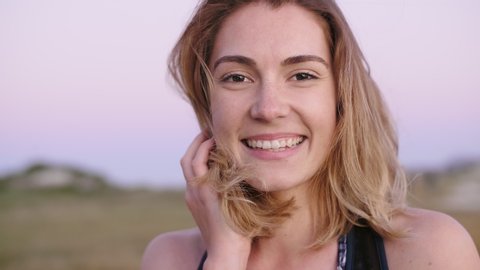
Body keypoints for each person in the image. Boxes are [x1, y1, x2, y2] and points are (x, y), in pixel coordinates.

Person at [142, 1, 480, 269]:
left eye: (302, 75)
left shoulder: (430, 251)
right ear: (208, 101)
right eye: (237, 77)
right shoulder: (170, 259)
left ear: (341, 97)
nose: (268, 108)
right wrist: (225, 259)